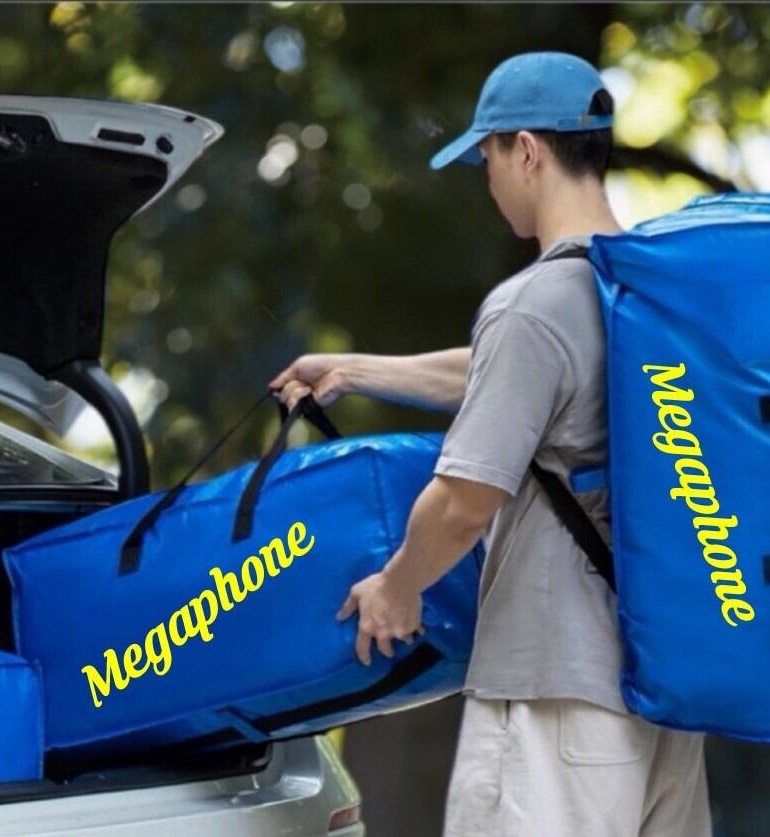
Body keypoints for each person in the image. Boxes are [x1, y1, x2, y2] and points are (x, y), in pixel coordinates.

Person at [269, 51, 711, 837]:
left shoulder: (535, 303)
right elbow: (508, 374)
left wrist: (397, 584)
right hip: (664, 692)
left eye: (488, 159)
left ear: (527, 151)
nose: (488, 180)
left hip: (556, 699)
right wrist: (357, 369)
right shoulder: (643, 292)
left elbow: (464, 501)